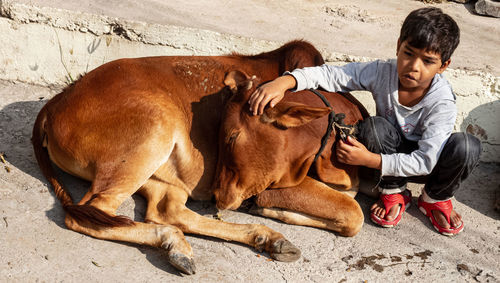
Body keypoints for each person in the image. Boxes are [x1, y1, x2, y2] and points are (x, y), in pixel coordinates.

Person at [248, 7, 481, 236]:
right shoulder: (382, 71)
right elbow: (332, 75)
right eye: (408, 53)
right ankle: (394, 190)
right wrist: (286, 82)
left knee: (467, 146)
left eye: (428, 61)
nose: (413, 66)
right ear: (399, 45)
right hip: (391, 151)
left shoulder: (441, 101)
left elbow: (426, 161)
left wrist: (370, 160)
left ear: (444, 66)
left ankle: (434, 198)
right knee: (374, 127)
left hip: (427, 164)